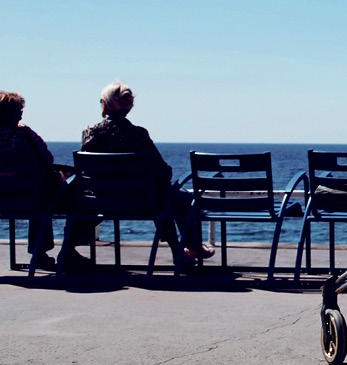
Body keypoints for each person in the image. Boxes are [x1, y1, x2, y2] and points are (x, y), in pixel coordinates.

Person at [80, 81, 214, 262]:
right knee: (177, 198)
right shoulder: (138, 135)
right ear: (129, 107)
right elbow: (162, 171)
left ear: (104, 104)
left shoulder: (90, 133)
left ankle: (68, 250)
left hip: (100, 203)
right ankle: (188, 248)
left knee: (162, 196)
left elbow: (85, 171)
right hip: (142, 203)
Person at [0, 91, 95, 271]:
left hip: (3, 200)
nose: (21, 115)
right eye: (19, 111)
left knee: (39, 193)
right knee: (70, 195)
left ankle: (42, 254)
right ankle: (63, 251)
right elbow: (47, 158)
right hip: (31, 199)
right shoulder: (25, 135)